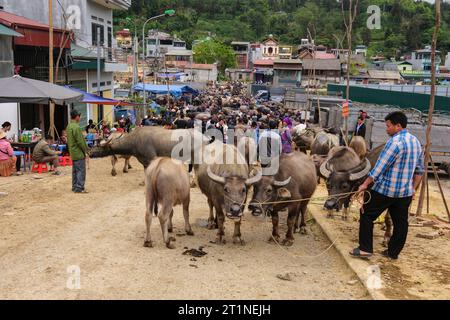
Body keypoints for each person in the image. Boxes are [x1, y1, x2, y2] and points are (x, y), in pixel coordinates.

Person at [350, 111, 424, 260]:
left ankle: (365, 249)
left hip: (385, 190)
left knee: (366, 214)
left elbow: (379, 168)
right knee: (401, 223)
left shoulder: (394, 142)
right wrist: (413, 189)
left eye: (388, 126)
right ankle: (393, 253)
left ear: (398, 126)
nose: (387, 129)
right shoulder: (416, 142)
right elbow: (420, 170)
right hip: (404, 193)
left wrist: (364, 184)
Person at [67, 110, 89, 193]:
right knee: (81, 171)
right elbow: (80, 141)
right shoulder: (76, 127)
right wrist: (86, 150)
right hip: (78, 152)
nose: (80, 118)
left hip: (72, 152)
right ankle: (79, 187)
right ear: (77, 117)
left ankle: (75, 187)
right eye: (79, 116)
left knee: (75, 171)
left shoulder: (69, 126)